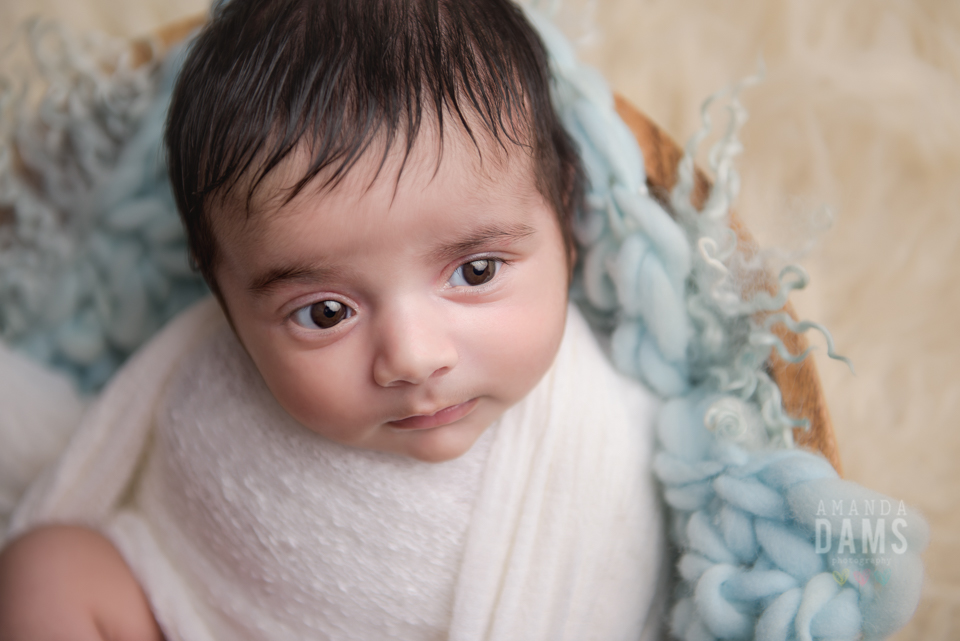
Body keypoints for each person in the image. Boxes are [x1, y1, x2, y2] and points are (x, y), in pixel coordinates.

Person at [0, 0, 666, 639]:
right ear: (225, 300)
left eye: (477, 271)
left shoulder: (592, 445)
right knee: (46, 571)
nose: (412, 355)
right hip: (172, 599)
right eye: (326, 312)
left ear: (564, 219)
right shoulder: (214, 360)